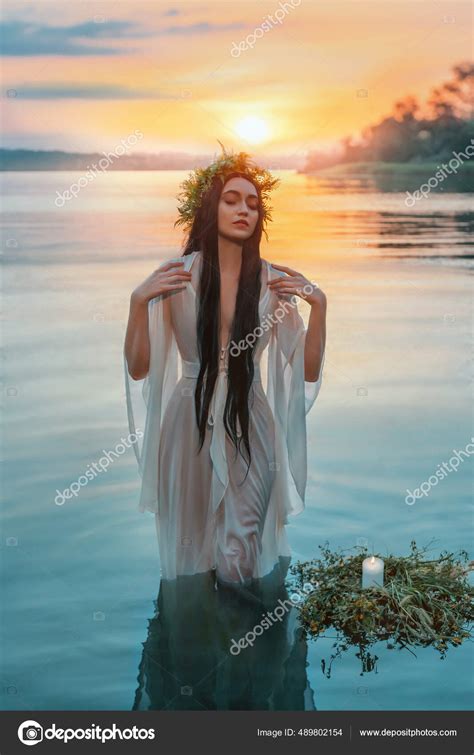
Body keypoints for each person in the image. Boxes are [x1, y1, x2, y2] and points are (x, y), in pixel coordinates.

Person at [124, 144, 326, 588]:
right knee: (193, 556)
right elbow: (139, 368)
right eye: (231, 200)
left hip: (251, 421)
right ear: (209, 208)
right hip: (188, 423)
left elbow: (307, 372)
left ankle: (246, 645)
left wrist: (321, 305)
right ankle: (196, 645)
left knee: (242, 554)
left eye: (253, 204)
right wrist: (138, 302)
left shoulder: (271, 281)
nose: (243, 211)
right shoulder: (178, 275)